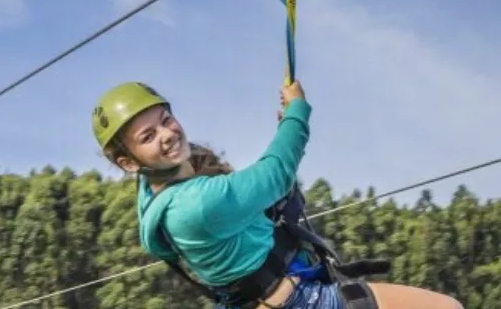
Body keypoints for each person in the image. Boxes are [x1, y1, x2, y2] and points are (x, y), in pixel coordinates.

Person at [90, 81, 463, 308]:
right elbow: (276, 174)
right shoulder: (195, 205)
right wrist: (297, 112)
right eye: (148, 136)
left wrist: (283, 131)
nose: (167, 134)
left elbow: (250, 187)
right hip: (298, 301)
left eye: (165, 120)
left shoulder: (156, 195)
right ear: (128, 162)